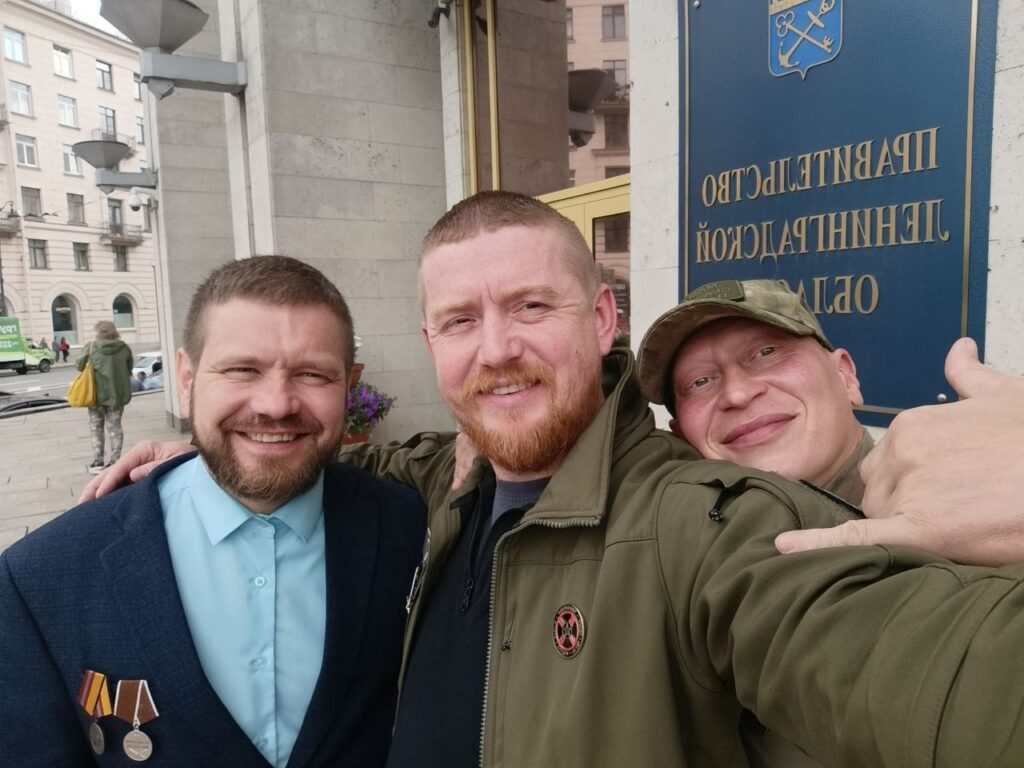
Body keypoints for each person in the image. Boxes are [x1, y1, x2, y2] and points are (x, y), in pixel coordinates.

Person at [88, 192, 1024, 766]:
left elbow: (939, 677)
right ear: (430, 344)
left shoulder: (706, 523)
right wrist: (217, 448)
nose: (497, 348)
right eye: (461, 321)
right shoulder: (435, 485)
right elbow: (334, 452)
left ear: (602, 318)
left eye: (531, 306)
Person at [0, 256, 426, 767]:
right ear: (187, 379)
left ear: (348, 387)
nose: (276, 404)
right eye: (242, 369)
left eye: (312, 374)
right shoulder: (40, 577)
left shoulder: (410, 528)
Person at [637, 278, 873, 504]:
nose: (737, 395)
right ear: (682, 435)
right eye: (700, 381)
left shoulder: (896, 515)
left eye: (766, 352)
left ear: (845, 375)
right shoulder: (671, 528)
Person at [78, 321, 134, 474]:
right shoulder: (124, 348)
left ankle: (98, 461)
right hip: (117, 395)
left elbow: (79, 365)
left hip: (96, 395)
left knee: (96, 427)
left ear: (98, 332)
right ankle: (115, 460)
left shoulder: (91, 347)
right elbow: (129, 368)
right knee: (115, 426)